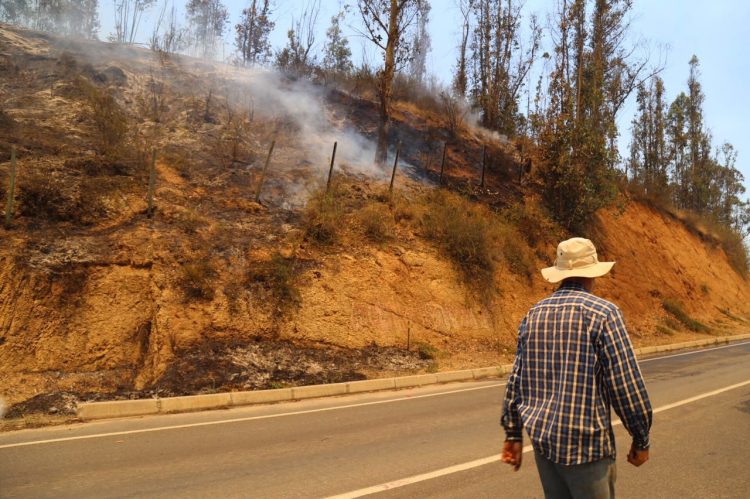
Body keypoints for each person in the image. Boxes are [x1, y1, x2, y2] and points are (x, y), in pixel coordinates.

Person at [500, 237, 652, 499]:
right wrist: (641, 439)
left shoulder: (533, 314)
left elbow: (517, 379)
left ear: (560, 273)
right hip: (587, 449)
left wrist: (513, 433)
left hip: (545, 447)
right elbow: (625, 385)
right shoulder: (604, 314)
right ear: (593, 273)